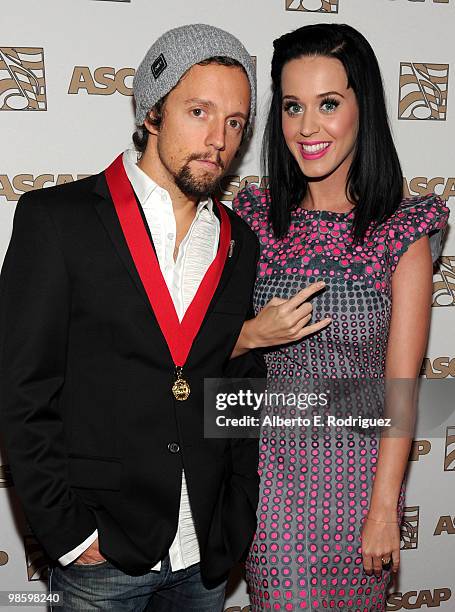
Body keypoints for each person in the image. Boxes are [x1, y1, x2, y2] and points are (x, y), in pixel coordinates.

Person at [0, 23, 315, 612]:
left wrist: (237, 512)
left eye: (235, 122)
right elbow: (23, 391)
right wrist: (69, 535)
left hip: (205, 558)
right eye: (199, 111)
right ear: (151, 112)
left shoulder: (236, 241)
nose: (218, 138)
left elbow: (236, 381)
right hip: (103, 554)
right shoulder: (57, 221)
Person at [232, 23, 449, 611]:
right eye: (293, 106)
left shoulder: (399, 230)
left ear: (363, 108)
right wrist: (253, 334)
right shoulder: (252, 218)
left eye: (329, 104)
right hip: (269, 481)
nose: (308, 128)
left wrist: (385, 510)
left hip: (361, 483)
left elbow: (400, 390)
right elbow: (200, 349)